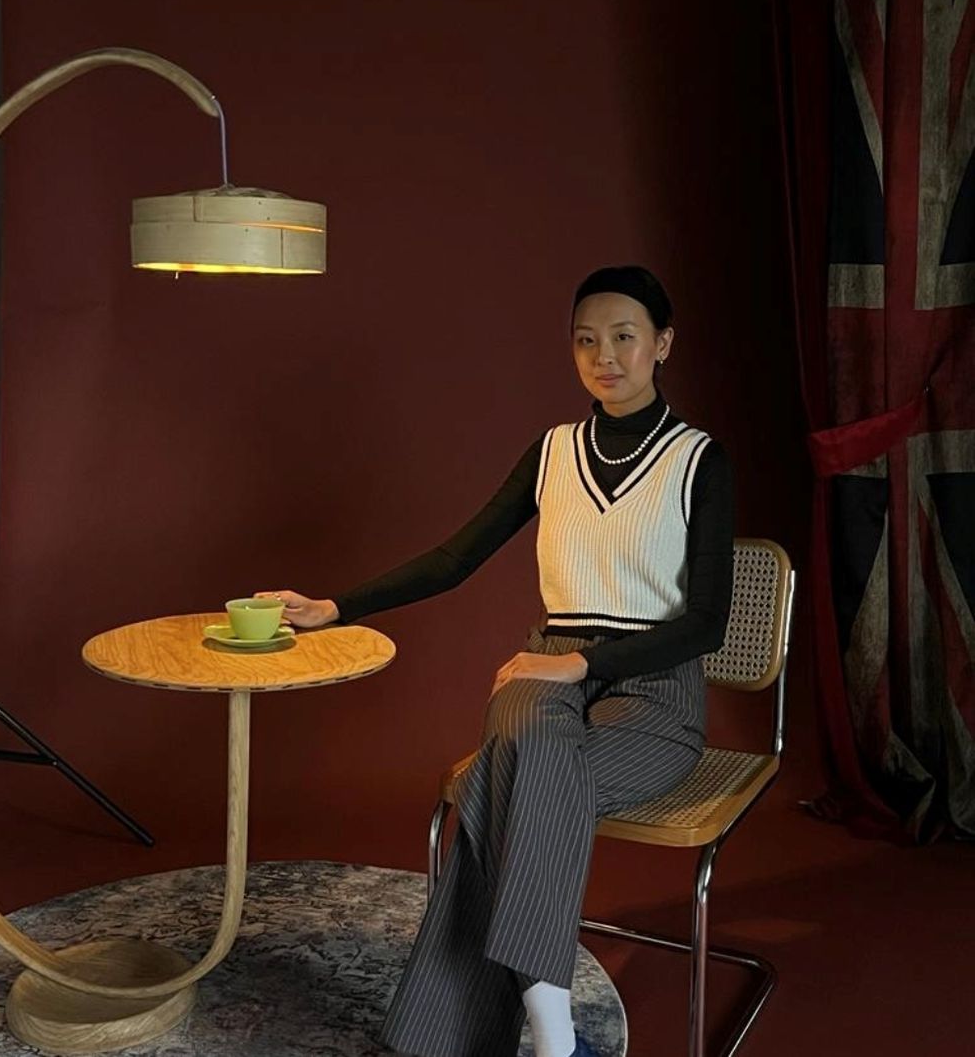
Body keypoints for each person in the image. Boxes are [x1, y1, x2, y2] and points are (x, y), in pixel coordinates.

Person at [261, 265, 733, 1057]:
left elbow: (708, 624)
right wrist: (334, 606)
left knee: (503, 778)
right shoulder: (550, 454)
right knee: (535, 745)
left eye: (623, 337)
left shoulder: (699, 461)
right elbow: (455, 557)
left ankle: (506, 1037)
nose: (604, 356)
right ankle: (556, 1041)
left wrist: (584, 667)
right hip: (542, 668)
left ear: (663, 344)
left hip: (653, 691)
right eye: (586, 340)